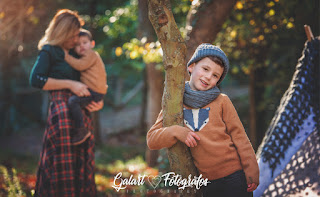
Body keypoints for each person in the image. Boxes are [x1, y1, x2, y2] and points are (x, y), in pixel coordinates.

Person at [147, 43, 259, 197]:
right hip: (206, 183)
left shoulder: (222, 101)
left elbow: (240, 137)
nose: (208, 77)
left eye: (215, 75)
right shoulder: (175, 103)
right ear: (191, 66)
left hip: (235, 177)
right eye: (205, 69)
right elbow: (152, 140)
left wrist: (251, 169)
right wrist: (175, 131)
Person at [29, 9, 103, 197]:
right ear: (63, 32)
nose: (76, 39)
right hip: (61, 112)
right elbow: (36, 79)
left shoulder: (76, 51)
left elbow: (92, 77)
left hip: (80, 111)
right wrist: (70, 84)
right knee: (61, 164)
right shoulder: (50, 50)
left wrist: (98, 101)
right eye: (73, 35)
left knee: (82, 163)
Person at [63, 29, 108, 145]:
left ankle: (81, 130)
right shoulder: (88, 55)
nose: (81, 46)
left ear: (92, 44)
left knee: (73, 102)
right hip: (96, 91)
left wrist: (65, 56)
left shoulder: (91, 54)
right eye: (77, 44)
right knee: (77, 103)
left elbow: (80, 65)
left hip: (95, 92)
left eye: (84, 43)